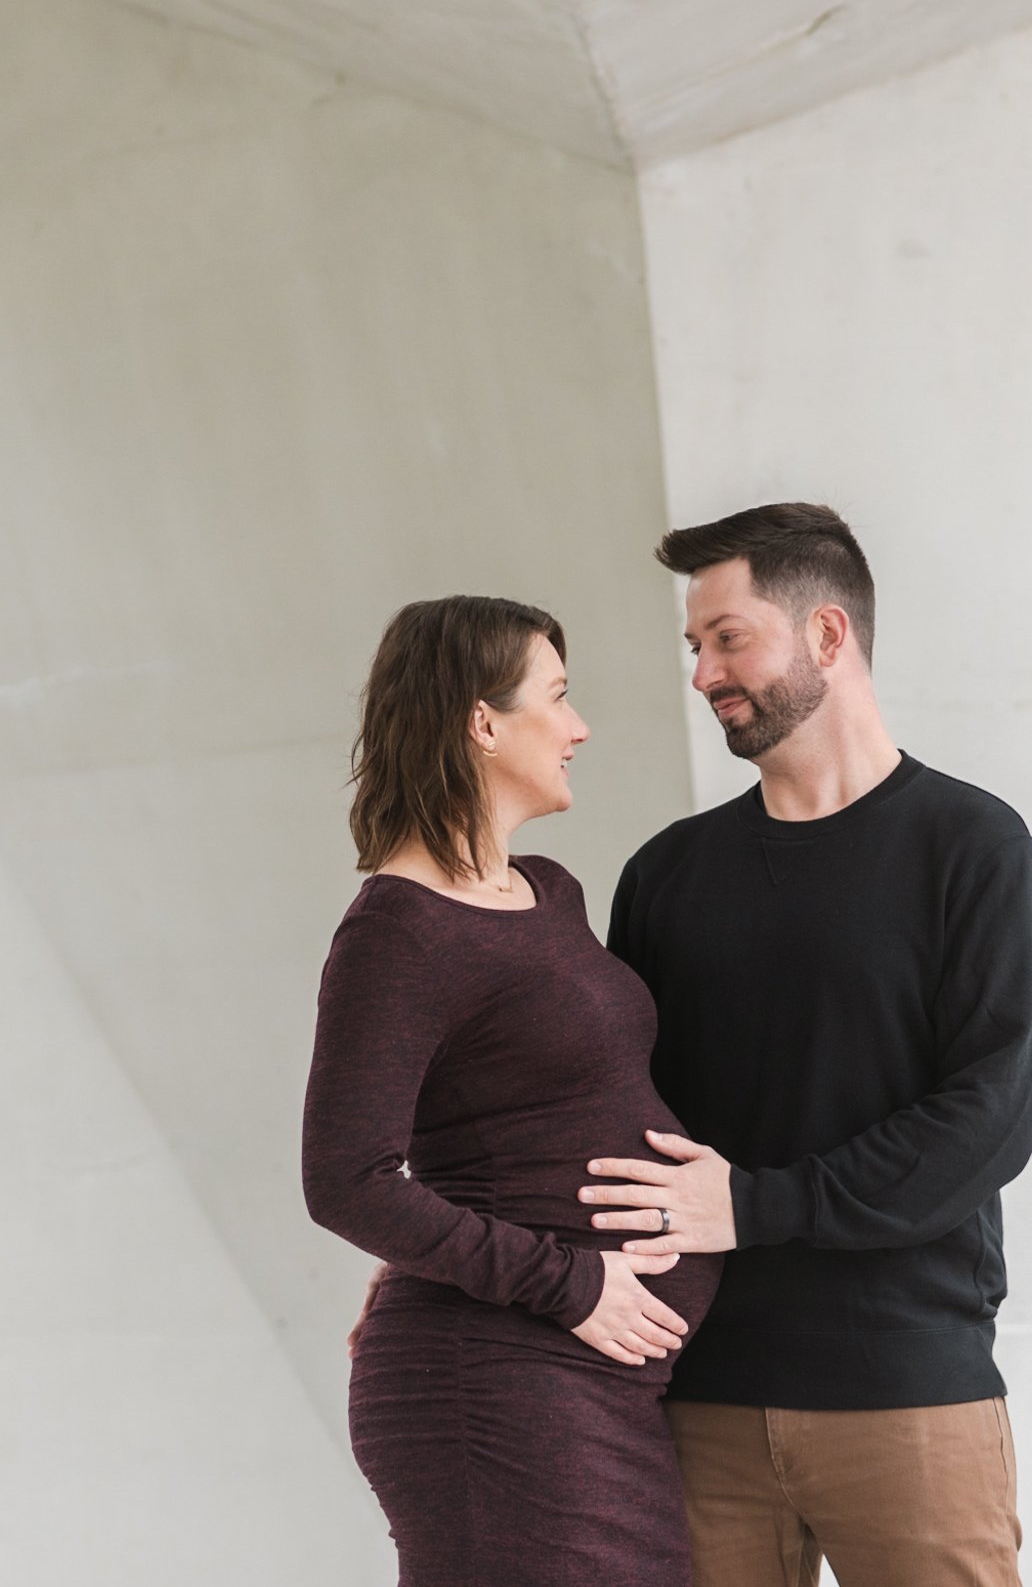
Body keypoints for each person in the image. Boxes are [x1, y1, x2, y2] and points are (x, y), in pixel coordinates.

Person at [583, 504, 1032, 1587]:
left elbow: (989, 1117)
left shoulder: (970, 847)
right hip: (695, 1398)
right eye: (694, 646)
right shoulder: (666, 875)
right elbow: (601, 1117)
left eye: (728, 636)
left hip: (908, 1393)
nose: (702, 671)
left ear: (827, 636)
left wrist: (755, 1203)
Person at [303, 595, 722, 1586]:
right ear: (483, 723)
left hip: (583, 1387)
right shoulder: (396, 930)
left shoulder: (548, 889)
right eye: (560, 698)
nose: (578, 728)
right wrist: (566, 1279)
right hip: (496, 1384)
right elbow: (347, 1178)